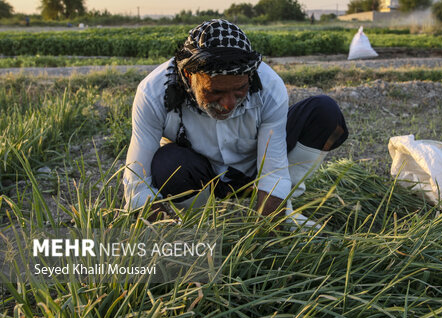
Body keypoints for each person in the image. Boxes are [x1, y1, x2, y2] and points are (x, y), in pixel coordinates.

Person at [123, 19, 348, 222]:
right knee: (167, 163)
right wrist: (164, 231)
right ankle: (200, 220)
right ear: (191, 77)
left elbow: (274, 169)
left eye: (240, 89)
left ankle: (282, 208)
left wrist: (266, 234)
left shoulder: (268, 87)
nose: (229, 103)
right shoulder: (154, 93)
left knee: (325, 113)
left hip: (253, 170)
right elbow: (136, 181)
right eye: (215, 92)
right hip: (200, 176)